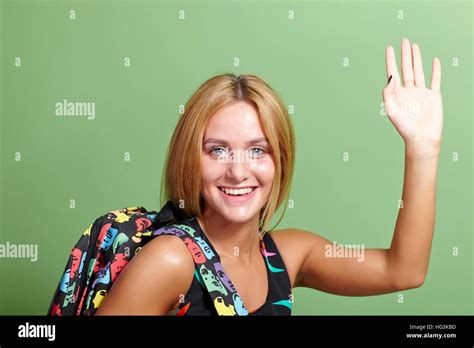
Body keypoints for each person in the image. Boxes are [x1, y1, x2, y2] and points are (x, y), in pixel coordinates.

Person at [95, 38, 443, 315]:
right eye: (217, 150)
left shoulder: (289, 254)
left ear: (280, 161)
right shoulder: (170, 260)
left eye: (257, 150)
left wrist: (423, 148)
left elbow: (403, 270)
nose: (238, 170)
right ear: (191, 159)